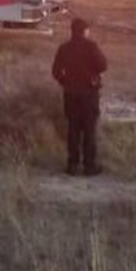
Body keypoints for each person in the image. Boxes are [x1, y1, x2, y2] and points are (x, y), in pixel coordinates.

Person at [52, 18, 108, 176]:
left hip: (70, 94)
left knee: (73, 130)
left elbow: (55, 71)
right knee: (89, 131)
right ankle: (89, 166)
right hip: (89, 94)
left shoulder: (64, 48)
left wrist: (65, 82)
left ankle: (72, 165)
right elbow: (103, 65)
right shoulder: (91, 47)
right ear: (85, 31)